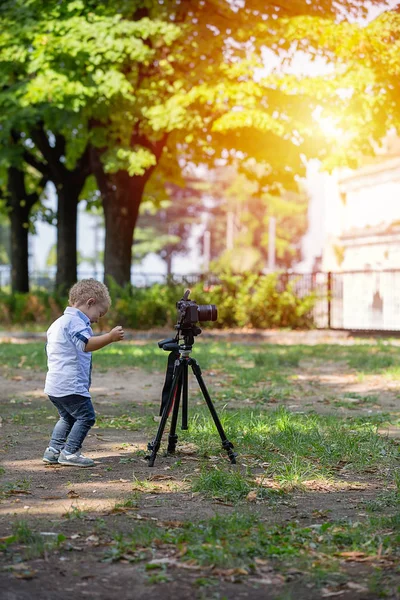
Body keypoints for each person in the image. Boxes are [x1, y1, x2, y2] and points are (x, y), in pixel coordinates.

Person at [42, 279, 124, 467]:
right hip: (70, 385)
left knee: (68, 417)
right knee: (86, 417)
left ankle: (53, 450)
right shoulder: (74, 322)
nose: (97, 319)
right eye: (99, 313)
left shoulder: (58, 323)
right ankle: (70, 452)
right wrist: (110, 337)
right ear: (90, 302)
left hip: (55, 385)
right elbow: (86, 344)